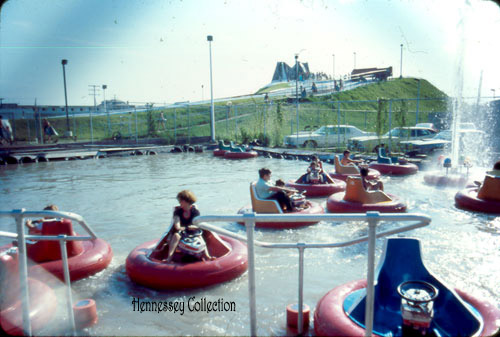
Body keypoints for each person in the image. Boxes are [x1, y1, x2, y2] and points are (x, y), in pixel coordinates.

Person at [150, 190, 214, 263]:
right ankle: (169, 258)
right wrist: (184, 227)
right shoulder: (178, 212)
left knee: (200, 236)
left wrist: (194, 227)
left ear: (187, 201)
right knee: (176, 236)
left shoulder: (195, 211)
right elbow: (177, 226)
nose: (179, 202)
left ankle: (207, 256)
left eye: (181, 200)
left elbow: (198, 225)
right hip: (182, 232)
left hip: (193, 232)